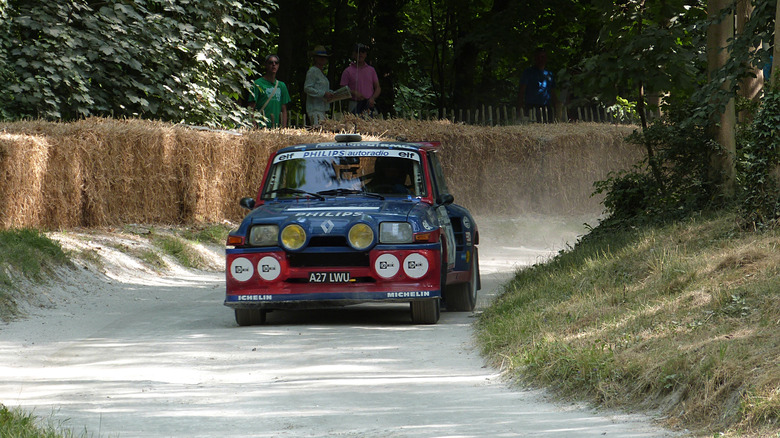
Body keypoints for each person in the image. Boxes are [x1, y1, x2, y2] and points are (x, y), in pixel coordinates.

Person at [249, 54, 291, 128]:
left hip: (276, 127)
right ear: (266, 65)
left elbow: (284, 109)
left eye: (276, 63)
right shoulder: (257, 84)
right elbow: (251, 107)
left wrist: (284, 128)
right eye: (270, 62)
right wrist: (254, 124)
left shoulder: (282, 86)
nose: (273, 64)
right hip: (261, 126)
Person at [518, 48, 558, 122]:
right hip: (531, 106)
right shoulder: (528, 72)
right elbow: (521, 91)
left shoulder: (549, 74)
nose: (540, 59)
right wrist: (520, 108)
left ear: (546, 58)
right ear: (535, 58)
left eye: (542, 57)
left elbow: (553, 92)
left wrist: (556, 108)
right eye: (538, 57)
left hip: (546, 107)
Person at [340, 43, 381, 116]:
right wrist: (353, 92)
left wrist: (373, 98)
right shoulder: (347, 71)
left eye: (363, 52)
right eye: (358, 52)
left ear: (366, 54)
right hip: (354, 104)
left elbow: (377, 87)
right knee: (354, 125)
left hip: (368, 104)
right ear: (354, 54)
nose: (360, 54)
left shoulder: (371, 70)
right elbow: (342, 89)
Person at [304, 45, 334, 126]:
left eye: (324, 57)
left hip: (322, 108)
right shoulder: (312, 71)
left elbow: (323, 89)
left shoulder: (321, 72)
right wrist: (323, 93)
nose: (323, 59)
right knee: (318, 131)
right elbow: (307, 88)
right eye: (320, 57)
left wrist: (330, 93)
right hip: (314, 109)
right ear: (315, 58)